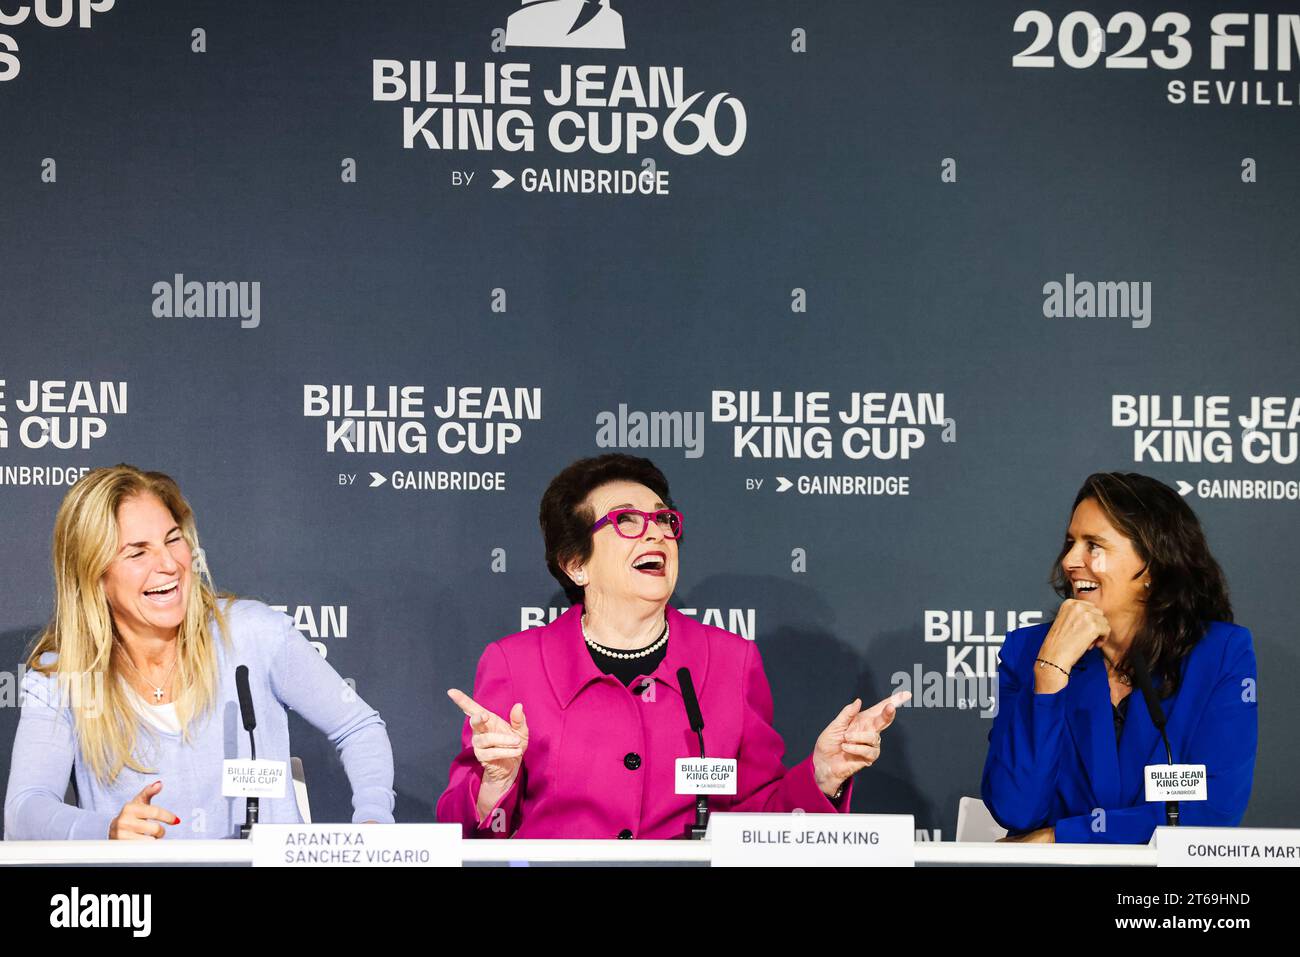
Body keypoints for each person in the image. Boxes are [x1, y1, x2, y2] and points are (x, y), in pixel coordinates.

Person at [437, 453, 908, 839]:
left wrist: (822, 775)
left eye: (665, 520)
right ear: (575, 564)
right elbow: (460, 833)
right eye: (627, 521)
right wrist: (495, 782)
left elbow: (756, 822)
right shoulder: (516, 663)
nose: (658, 532)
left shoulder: (730, 662)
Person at [4, 465, 395, 840]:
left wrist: (373, 824)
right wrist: (106, 831)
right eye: (138, 552)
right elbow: (25, 808)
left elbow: (358, 727)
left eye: (173, 539)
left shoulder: (252, 634)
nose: (169, 564)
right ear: (94, 575)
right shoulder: (66, 676)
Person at [982, 472, 1257, 844]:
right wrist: (1050, 675)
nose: (1070, 561)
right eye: (1070, 542)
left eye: (1093, 545)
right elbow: (1015, 808)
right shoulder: (1029, 651)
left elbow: (1213, 812)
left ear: (1153, 562)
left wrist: (1060, 838)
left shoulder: (1219, 654)